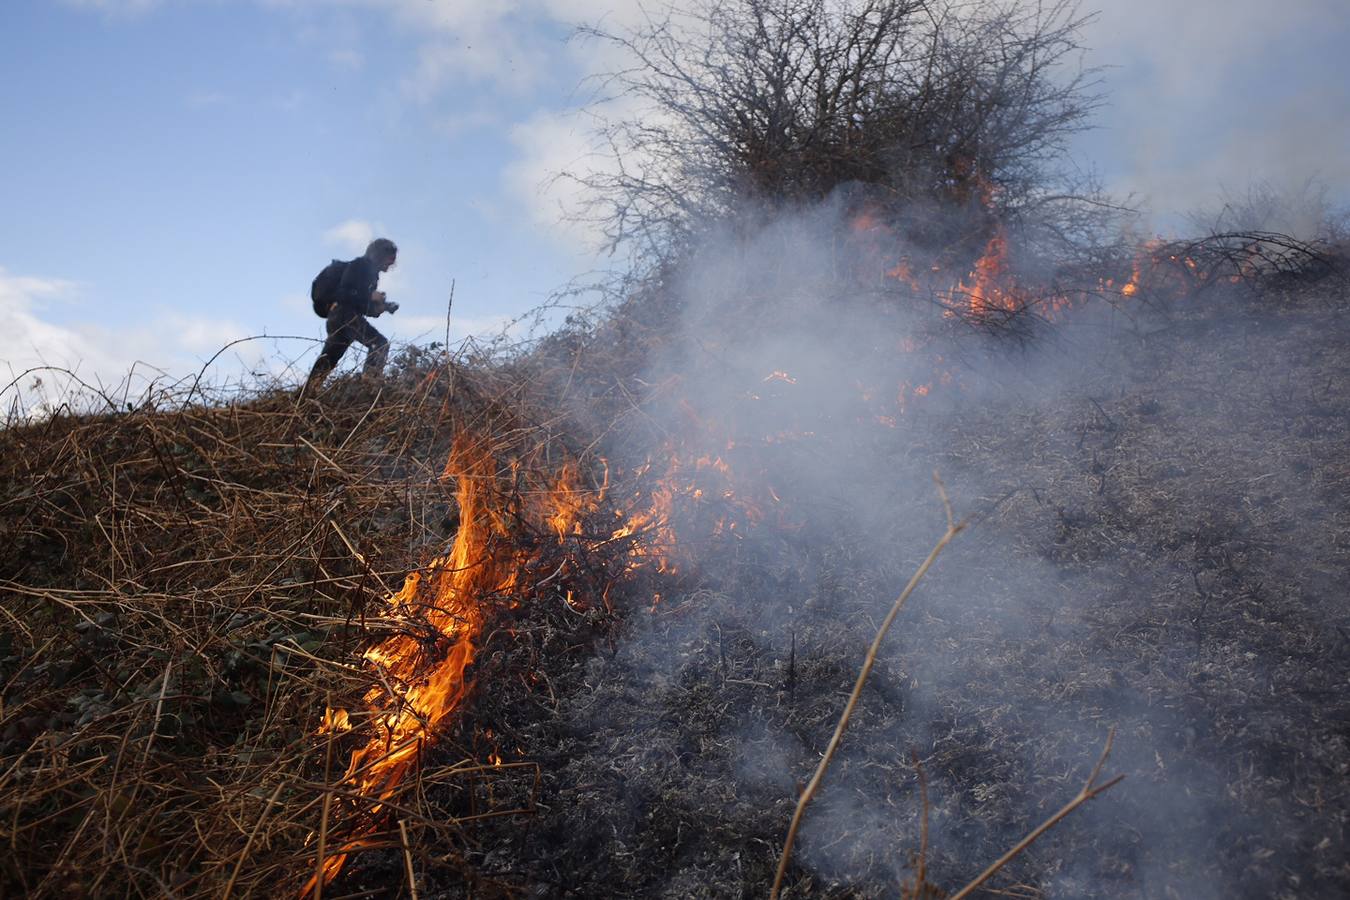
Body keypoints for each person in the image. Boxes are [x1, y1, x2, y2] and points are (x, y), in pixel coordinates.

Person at [302, 238, 400, 396]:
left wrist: (378, 308)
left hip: (340, 318)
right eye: (390, 259)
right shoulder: (360, 266)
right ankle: (368, 389)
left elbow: (359, 303)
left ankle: (306, 394)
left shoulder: (371, 274)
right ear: (379, 255)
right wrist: (370, 295)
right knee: (379, 344)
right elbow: (343, 294)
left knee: (329, 358)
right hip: (343, 315)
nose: (391, 263)